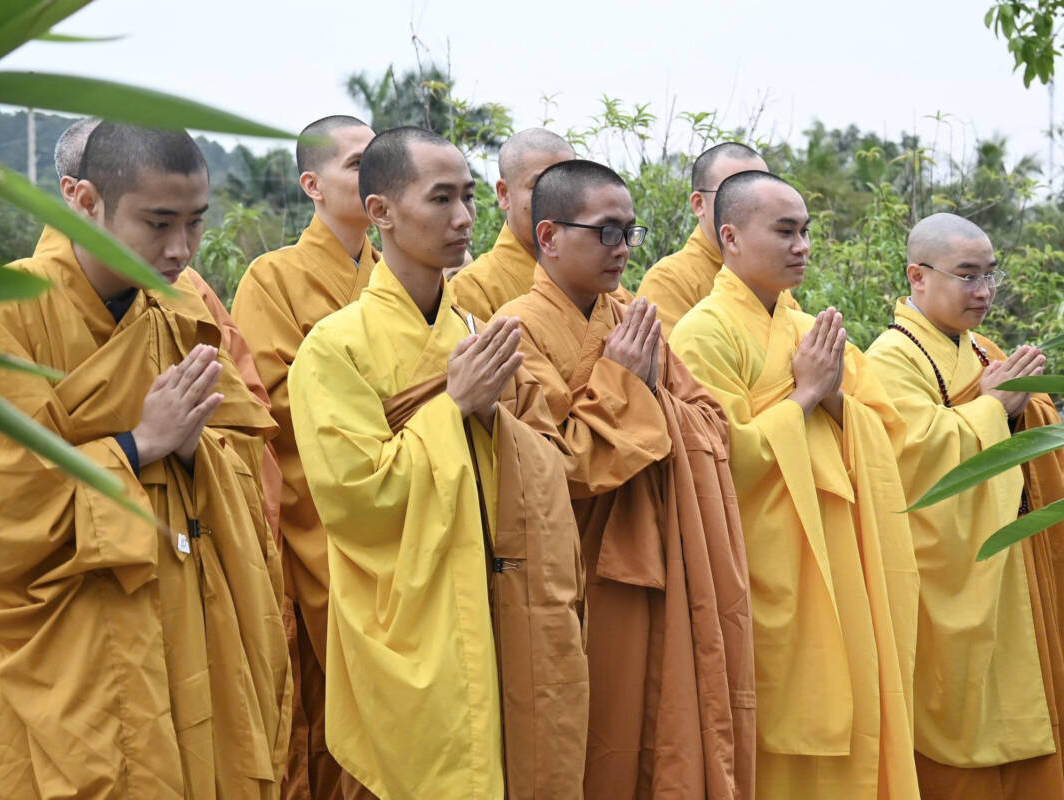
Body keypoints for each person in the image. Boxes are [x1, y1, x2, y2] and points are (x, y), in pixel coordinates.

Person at [0, 122, 291, 798]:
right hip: (69, 653)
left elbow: (243, 456)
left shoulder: (181, 312)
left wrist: (193, 451)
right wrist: (138, 446)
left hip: (187, 626)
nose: (180, 248)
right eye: (158, 223)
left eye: (195, 222)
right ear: (82, 200)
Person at [288, 127, 588, 799]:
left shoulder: (475, 334)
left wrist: (492, 419)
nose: (463, 218)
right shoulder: (334, 347)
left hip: (498, 602)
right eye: (441, 198)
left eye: (469, 198)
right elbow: (356, 495)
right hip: (408, 620)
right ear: (381, 211)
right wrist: (455, 408)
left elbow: (544, 464)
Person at [494, 159, 756, 799]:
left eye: (630, 232)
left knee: (657, 727)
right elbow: (553, 464)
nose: (623, 248)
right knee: (592, 734)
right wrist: (623, 383)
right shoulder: (516, 329)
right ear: (550, 235)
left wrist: (646, 391)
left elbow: (710, 423)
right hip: (571, 574)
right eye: (607, 232)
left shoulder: (632, 321)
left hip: (656, 560)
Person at [670, 169, 921, 799]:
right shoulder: (703, 332)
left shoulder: (812, 330)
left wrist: (832, 397)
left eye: (806, 231)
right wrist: (806, 395)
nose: (802, 245)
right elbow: (717, 459)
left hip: (838, 554)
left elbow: (884, 431)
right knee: (780, 713)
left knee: (854, 700)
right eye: (785, 231)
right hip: (763, 561)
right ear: (730, 236)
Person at [864, 212, 1064, 800]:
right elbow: (910, 460)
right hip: (949, 572)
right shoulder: (890, 357)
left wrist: (1022, 406)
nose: (985, 290)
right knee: (962, 717)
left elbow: (1019, 430)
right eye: (968, 275)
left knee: (1028, 699)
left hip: (1010, 561)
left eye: (991, 274)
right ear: (917, 276)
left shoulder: (984, 349)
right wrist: (994, 408)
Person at [231, 114, 380, 799]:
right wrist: (385, 397)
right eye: (357, 163)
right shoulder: (273, 277)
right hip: (314, 517)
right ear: (312, 185)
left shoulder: (401, 273)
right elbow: (270, 399)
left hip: (400, 505)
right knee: (325, 702)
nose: (375, 175)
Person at [451, 128, 632, 320]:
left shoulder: (600, 282)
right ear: (504, 194)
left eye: (570, 188)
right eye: (540, 187)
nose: (559, 201)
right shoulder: (472, 289)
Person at [636, 142, 769, 338]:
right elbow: (675, 357)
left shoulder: (769, 273)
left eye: (764, 194)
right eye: (737, 194)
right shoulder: (669, 281)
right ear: (699, 204)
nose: (755, 207)